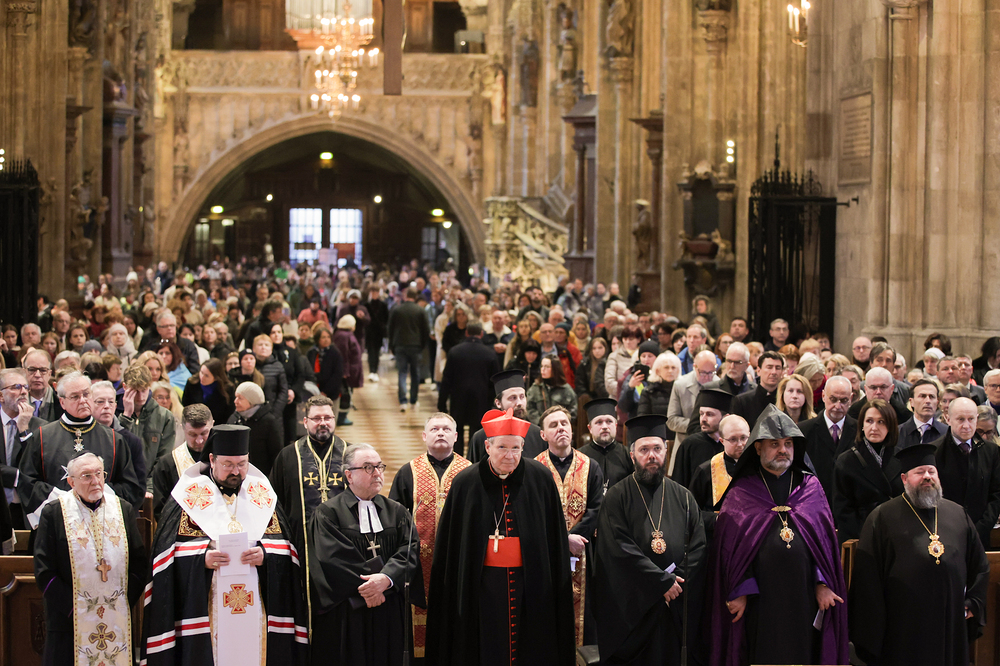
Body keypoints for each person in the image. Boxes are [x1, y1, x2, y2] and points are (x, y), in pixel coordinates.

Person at [142, 424, 308, 666]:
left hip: (256, 601)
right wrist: (201, 557)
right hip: (206, 604)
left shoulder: (261, 493)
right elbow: (164, 556)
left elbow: (287, 548)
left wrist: (266, 555)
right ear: (212, 459)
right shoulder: (189, 495)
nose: (236, 471)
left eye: (242, 464)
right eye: (228, 464)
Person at [425, 408, 575, 666]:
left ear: (523, 447)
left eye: (516, 448)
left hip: (530, 583)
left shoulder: (540, 478)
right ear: (487, 446)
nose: (510, 455)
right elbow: (453, 548)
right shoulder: (466, 482)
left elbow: (553, 541)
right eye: (502, 447)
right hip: (482, 585)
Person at [706, 404, 848, 666]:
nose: (783, 450)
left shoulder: (810, 488)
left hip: (804, 594)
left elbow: (823, 543)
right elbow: (730, 551)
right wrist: (740, 589)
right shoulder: (742, 493)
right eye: (774, 444)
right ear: (758, 448)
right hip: (760, 598)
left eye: (788, 444)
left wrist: (822, 583)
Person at [849, 444, 990, 666]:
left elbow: (980, 565)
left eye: (931, 471)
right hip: (903, 628)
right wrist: (875, 628)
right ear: (904, 479)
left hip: (950, 623)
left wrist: (973, 602)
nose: (927, 477)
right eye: (919, 472)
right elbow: (867, 579)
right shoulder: (882, 518)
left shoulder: (958, 514)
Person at [594, 413, 706, 665]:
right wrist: (660, 583)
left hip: (676, 602)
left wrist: (675, 584)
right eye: (644, 450)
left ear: (666, 451)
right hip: (634, 609)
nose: (652, 455)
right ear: (632, 455)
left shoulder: (684, 497)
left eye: (657, 448)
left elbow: (698, 546)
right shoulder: (616, 497)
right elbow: (619, 548)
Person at [306, 443, 420, 665]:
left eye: (379, 467)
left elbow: (409, 549)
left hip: (388, 606)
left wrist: (386, 579)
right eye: (368, 467)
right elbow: (332, 559)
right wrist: (371, 589)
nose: (377, 473)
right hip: (348, 609)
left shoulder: (397, 511)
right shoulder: (328, 513)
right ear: (349, 475)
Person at [34, 452, 146, 666]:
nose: (95, 481)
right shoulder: (54, 513)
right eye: (86, 476)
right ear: (71, 482)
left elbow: (139, 565)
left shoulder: (122, 509)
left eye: (99, 474)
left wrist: (121, 602)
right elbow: (44, 571)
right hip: (68, 621)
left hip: (116, 620)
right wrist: (76, 608)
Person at [387, 412, 470, 661]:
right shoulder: (408, 472)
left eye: (446, 429)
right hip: (418, 564)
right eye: (434, 429)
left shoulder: (470, 472)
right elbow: (394, 520)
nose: (440, 433)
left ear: (456, 436)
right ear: (424, 436)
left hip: (459, 561)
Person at [18, 372, 143, 527]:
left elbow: (130, 487)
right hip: (56, 524)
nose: (83, 400)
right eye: (75, 397)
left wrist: (95, 495)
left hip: (103, 524)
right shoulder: (42, 437)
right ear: (62, 402)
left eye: (86, 394)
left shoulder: (114, 439)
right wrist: (65, 502)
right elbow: (27, 482)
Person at [269, 395, 349, 630]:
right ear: (305, 422)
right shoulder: (288, 456)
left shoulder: (350, 454)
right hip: (300, 543)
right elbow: (275, 503)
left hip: (343, 546)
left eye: (327, 418)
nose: (323, 423)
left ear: (334, 420)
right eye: (316, 418)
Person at [535, 406, 603, 646]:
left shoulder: (590, 466)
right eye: (553, 425)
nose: (560, 428)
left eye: (564, 423)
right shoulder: (534, 467)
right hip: (546, 554)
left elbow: (596, 509)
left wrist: (575, 538)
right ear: (543, 434)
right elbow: (532, 513)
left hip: (584, 552)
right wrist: (563, 540)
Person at [931, 397, 1000, 548]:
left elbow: (996, 494)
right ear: (948, 419)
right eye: (960, 419)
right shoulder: (934, 452)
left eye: (971, 419)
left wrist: (981, 527)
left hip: (981, 534)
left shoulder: (991, 451)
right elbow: (933, 497)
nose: (966, 425)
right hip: (945, 533)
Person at [832, 398, 903, 543]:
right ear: (862, 425)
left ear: (890, 425)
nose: (874, 427)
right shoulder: (846, 461)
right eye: (869, 421)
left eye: (881, 422)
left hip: (896, 535)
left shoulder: (901, 457)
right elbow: (842, 509)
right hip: (861, 537)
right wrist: (866, 536)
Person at [438, 322, 501, 455]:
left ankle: (458, 460)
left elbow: (447, 379)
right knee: (477, 432)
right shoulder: (490, 353)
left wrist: (442, 402)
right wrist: (494, 403)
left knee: (457, 431)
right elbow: (495, 382)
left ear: (466, 333)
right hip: (481, 400)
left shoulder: (454, 351)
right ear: (481, 334)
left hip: (458, 399)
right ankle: (474, 460)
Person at [466, 370, 548, 463]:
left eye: (522, 397)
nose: (519, 403)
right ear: (498, 403)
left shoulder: (538, 435)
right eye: (512, 398)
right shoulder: (481, 437)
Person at [689, 414, 750, 540]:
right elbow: (691, 512)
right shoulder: (706, 470)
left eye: (744, 438)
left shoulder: (759, 467)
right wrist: (717, 519)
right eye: (733, 439)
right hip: (717, 537)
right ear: (722, 441)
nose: (740, 444)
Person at [799, 375, 857, 505]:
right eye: (833, 399)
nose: (838, 406)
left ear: (851, 399)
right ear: (823, 396)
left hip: (849, 505)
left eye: (844, 400)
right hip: (814, 503)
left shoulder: (860, 431)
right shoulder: (804, 431)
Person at [119, 363, 176, 496]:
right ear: (125, 387)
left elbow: (162, 460)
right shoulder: (115, 414)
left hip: (152, 488)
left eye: (144, 390)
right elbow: (117, 451)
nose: (140, 397)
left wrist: (148, 488)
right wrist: (126, 416)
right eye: (135, 391)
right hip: (123, 486)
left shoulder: (165, 417)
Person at [0, 368, 46, 529]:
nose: (24, 392)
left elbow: (38, 467)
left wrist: (24, 431)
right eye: (16, 387)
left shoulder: (42, 428)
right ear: (1, 396)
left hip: (28, 509)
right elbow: (27, 475)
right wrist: (18, 476)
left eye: (26, 387)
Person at [671, 387, 732, 489]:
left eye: (709, 414)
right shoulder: (689, 444)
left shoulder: (731, 444)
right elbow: (678, 483)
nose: (703, 419)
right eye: (701, 414)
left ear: (725, 417)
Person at [388, 287, 431, 412]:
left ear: (405, 296)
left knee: (402, 372)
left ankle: (402, 401)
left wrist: (391, 345)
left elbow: (390, 329)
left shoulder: (397, 309)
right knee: (415, 373)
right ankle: (413, 400)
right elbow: (426, 330)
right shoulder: (420, 310)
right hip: (415, 345)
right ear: (415, 297)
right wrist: (422, 344)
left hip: (400, 345)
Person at [228, 381, 284, 477]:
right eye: (236, 397)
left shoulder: (269, 422)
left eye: (240, 398)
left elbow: (276, 454)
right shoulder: (234, 418)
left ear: (252, 401)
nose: (235, 401)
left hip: (261, 476)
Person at [666, 350, 720, 446]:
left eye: (711, 372)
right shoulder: (680, 385)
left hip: (713, 445)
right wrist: (700, 425)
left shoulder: (720, 385)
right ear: (694, 367)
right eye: (703, 373)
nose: (707, 377)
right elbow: (671, 420)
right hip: (685, 444)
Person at [579, 398, 634, 490]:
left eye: (609, 421)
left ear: (616, 426)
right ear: (590, 428)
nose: (604, 426)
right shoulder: (579, 457)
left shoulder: (629, 455)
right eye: (599, 422)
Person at [729, 350, 785, 431]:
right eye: (769, 367)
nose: (774, 372)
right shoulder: (742, 402)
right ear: (758, 371)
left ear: (782, 372)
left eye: (778, 368)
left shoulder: (785, 400)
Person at [898, 377, 948, 450]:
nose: (928, 401)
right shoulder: (898, 433)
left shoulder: (946, 433)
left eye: (932, 397)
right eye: (922, 396)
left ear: (937, 402)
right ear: (912, 402)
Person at [525, 356, 578, 425]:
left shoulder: (566, 389)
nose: (543, 369)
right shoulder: (535, 388)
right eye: (542, 366)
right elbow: (529, 408)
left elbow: (573, 411)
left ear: (555, 369)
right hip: (539, 427)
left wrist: (559, 423)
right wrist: (542, 423)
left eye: (547, 367)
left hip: (559, 427)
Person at [183, 358, 234, 425]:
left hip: (218, 426)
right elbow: (185, 405)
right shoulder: (192, 383)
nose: (202, 377)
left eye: (206, 375)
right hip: (194, 423)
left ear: (216, 378)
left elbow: (229, 413)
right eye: (201, 372)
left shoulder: (228, 389)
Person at [333, 315, 364, 426]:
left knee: (347, 393)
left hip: (351, 370)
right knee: (345, 394)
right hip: (346, 372)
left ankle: (343, 416)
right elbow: (343, 355)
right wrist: (344, 371)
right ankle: (341, 417)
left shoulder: (345, 334)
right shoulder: (342, 336)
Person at [23, 348, 62, 423]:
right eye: (32, 369)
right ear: (24, 372)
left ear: (49, 374)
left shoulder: (61, 402)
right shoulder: (15, 401)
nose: (37, 375)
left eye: (43, 370)